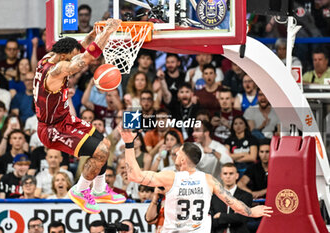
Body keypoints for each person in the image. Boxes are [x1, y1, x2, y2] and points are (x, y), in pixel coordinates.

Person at [34, 18, 125, 214]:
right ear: (65, 57)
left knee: (105, 144)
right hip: (52, 129)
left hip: (63, 118)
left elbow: (79, 50)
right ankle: (80, 190)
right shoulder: (56, 71)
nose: (74, 59)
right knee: (99, 152)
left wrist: (92, 35)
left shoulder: (51, 57)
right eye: (72, 58)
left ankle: (100, 190)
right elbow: (86, 59)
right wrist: (108, 32)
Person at [119, 128, 273, 232]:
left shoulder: (170, 177)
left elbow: (134, 176)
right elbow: (232, 202)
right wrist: (251, 212)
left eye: (178, 153)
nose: (176, 155)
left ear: (184, 159)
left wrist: (129, 143)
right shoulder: (208, 179)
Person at [210, 163, 253, 233]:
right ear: (221, 176)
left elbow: (241, 218)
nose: (228, 176)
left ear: (237, 176)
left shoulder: (246, 196)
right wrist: (232, 217)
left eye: (231, 173)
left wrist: (220, 216)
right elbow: (211, 221)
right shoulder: (214, 197)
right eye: (225, 174)